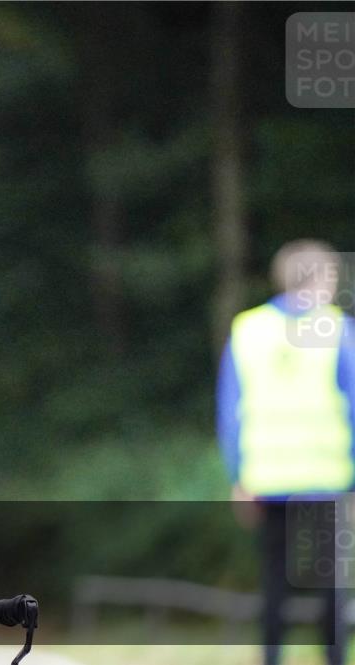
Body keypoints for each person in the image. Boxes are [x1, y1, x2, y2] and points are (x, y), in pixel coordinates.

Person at [217, 239, 354, 665]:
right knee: (332, 582)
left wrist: (238, 478)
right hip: (326, 479)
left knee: (274, 581)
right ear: (320, 278)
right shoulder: (339, 329)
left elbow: (230, 412)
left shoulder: (248, 329)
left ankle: (271, 658)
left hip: (268, 479)